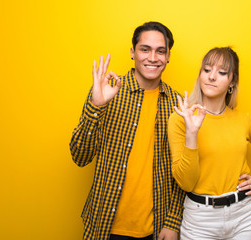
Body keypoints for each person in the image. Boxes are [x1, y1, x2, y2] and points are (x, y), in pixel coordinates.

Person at [70, 21, 185, 240]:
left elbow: (180, 170)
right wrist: (96, 106)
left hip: (157, 227)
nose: (153, 58)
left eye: (161, 51)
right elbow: (79, 156)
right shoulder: (106, 91)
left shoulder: (177, 105)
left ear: (168, 56)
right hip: (104, 225)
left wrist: (173, 221)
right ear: (133, 52)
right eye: (145, 49)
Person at [168, 47, 251, 240]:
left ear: (232, 82)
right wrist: (192, 133)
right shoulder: (180, 119)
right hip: (199, 219)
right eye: (206, 70)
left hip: (243, 215)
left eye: (222, 72)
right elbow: (186, 183)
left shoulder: (243, 120)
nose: (212, 76)